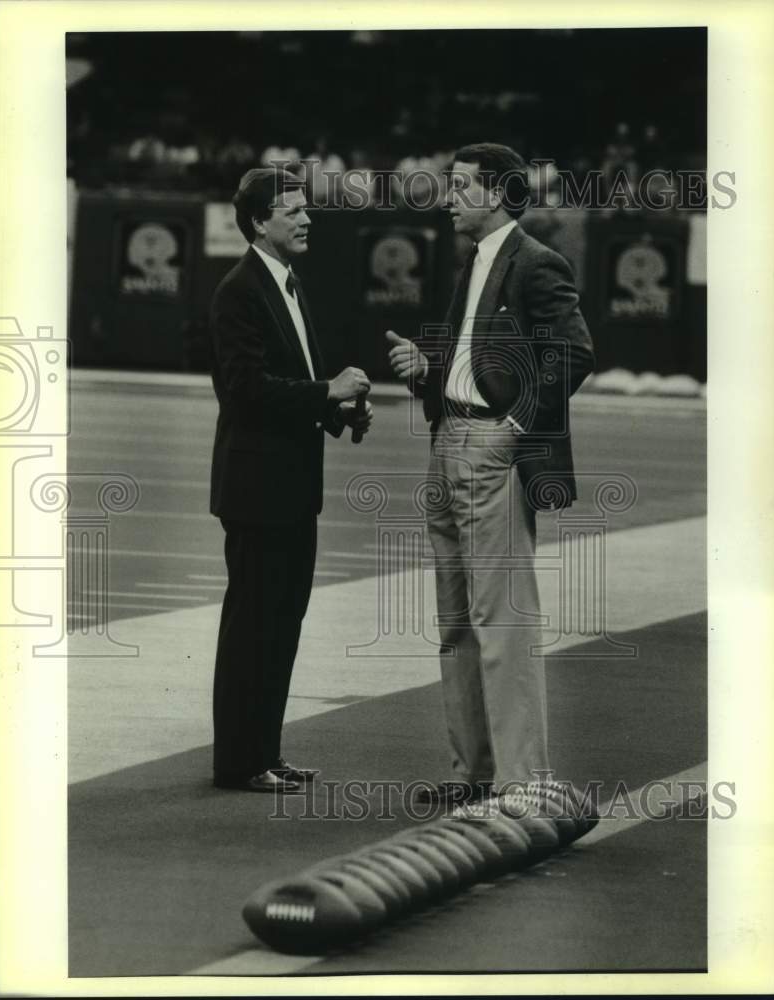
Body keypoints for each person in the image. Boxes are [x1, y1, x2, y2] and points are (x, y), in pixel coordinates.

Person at [387, 143, 594, 804]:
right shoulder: (475, 261)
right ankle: (475, 777)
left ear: (499, 194)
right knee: (456, 624)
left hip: (488, 445)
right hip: (449, 438)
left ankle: (520, 784)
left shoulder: (535, 262)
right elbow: (473, 362)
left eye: (461, 187)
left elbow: (574, 352)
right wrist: (427, 370)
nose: (448, 198)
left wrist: (514, 426)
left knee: (500, 621)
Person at [210, 166, 372, 793]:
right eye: (292, 210)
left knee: (281, 624)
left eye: (306, 209)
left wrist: (337, 413)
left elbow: (290, 384)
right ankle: (239, 762)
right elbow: (245, 389)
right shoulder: (240, 290)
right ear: (259, 222)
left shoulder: (286, 283)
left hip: (290, 488)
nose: (306, 219)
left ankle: (265, 754)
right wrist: (327, 390)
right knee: (254, 626)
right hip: (258, 490)